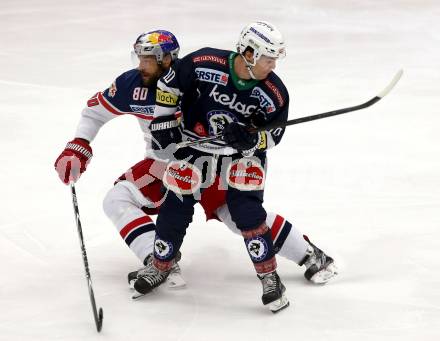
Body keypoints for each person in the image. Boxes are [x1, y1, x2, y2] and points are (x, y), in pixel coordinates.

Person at [54, 28, 336, 298]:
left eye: (149, 60)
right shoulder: (132, 85)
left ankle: (307, 253)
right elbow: (94, 111)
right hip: (163, 165)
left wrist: (249, 135)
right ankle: (159, 258)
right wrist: (78, 145)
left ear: (169, 60)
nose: (141, 66)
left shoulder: (194, 82)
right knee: (117, 199)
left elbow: (245, 112)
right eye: (139, 58)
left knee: (239, 217)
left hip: (214, 163)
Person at [133, 21, 336, 313]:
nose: (273, 66)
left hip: (242, 156)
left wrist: (251, 141)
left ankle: (270, 278)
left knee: (248, 213)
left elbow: (275, 136)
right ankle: (161, 264)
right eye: (269, 59)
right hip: (194, 145)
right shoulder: (202, 62)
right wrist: (164, 121)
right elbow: (168, 85)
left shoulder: (274, 92)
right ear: (250, 53)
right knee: (175, 204)